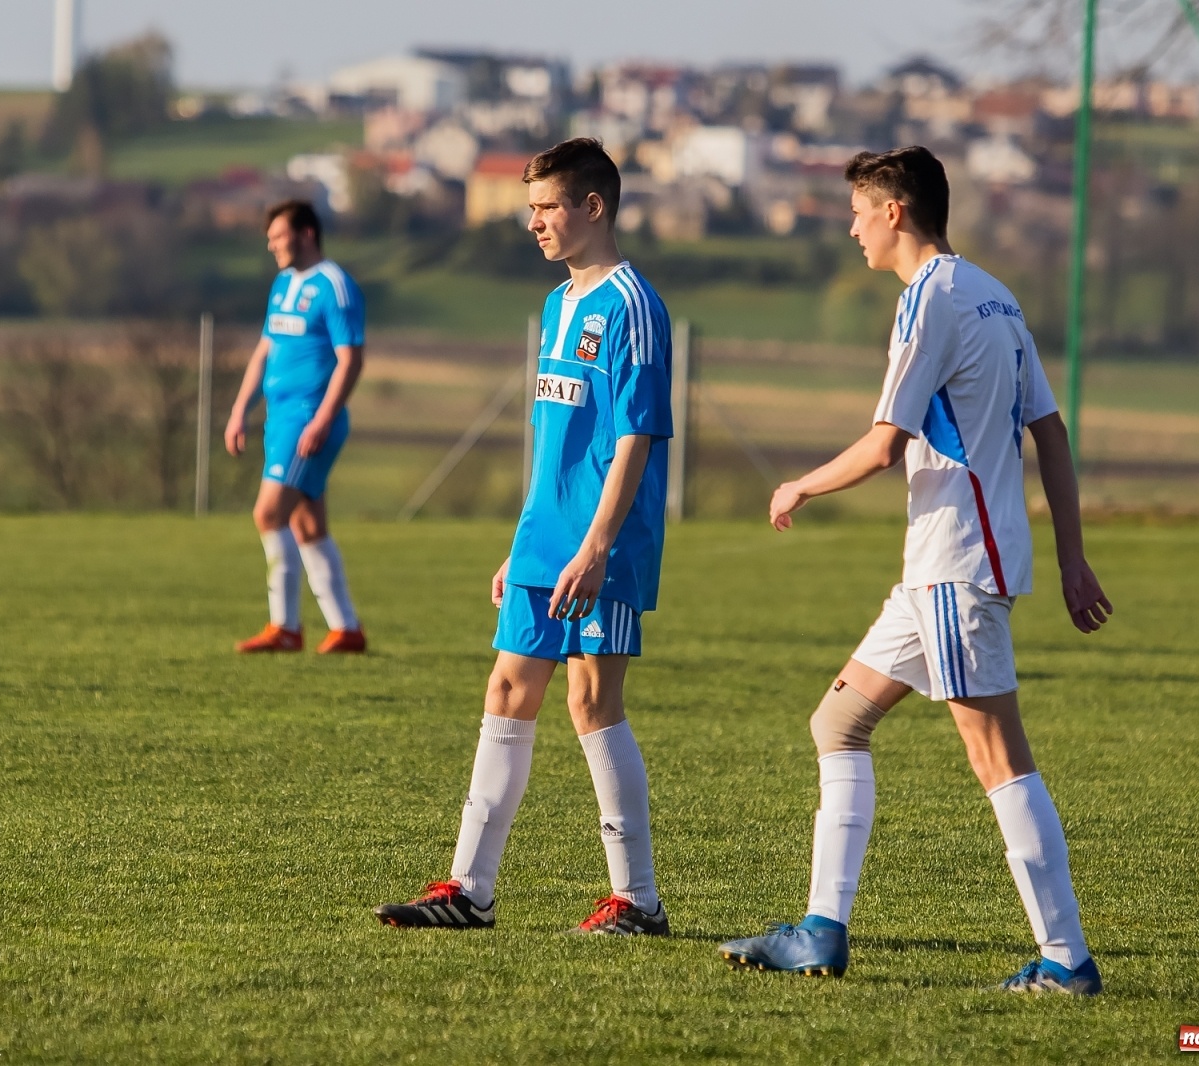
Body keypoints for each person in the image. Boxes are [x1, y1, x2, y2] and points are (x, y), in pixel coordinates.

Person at [718, 146, 1113, 994]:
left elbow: (885, 443)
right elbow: (1051, 433)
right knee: (837, 724)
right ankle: (822, 928)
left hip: (955, 568)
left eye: (859, 211)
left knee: (998, 755)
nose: (852, 227)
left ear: (895, 211)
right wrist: (1071, 559)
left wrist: (800, 484)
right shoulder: (996, 296)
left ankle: (1066, 959)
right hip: (938, 572)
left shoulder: (928, 301)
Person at [373, 138, 675, 935]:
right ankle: (469, 892)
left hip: (604, 546)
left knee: (590, 699)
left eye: (547, 207)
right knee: (507, 691)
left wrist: (598, 543)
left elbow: (636, 439)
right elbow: (554, 442)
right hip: (546, 541)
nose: (533, 222)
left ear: (593, 207)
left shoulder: (633, 305)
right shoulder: (557, 305)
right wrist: (525, 541)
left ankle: (639, 902)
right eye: (531, 207)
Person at [225, 200, 367, 655]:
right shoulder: (284, 283)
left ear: (306, 233)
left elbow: (351, 359)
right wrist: (240, 408)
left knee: (268, 513)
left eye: (278, 235)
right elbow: (265, 348)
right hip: (280, 418)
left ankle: (284, 628)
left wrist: (323, 418)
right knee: (308, 527)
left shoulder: (335, 286)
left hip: (309, 419)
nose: (271, 244)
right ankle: (346, 629)